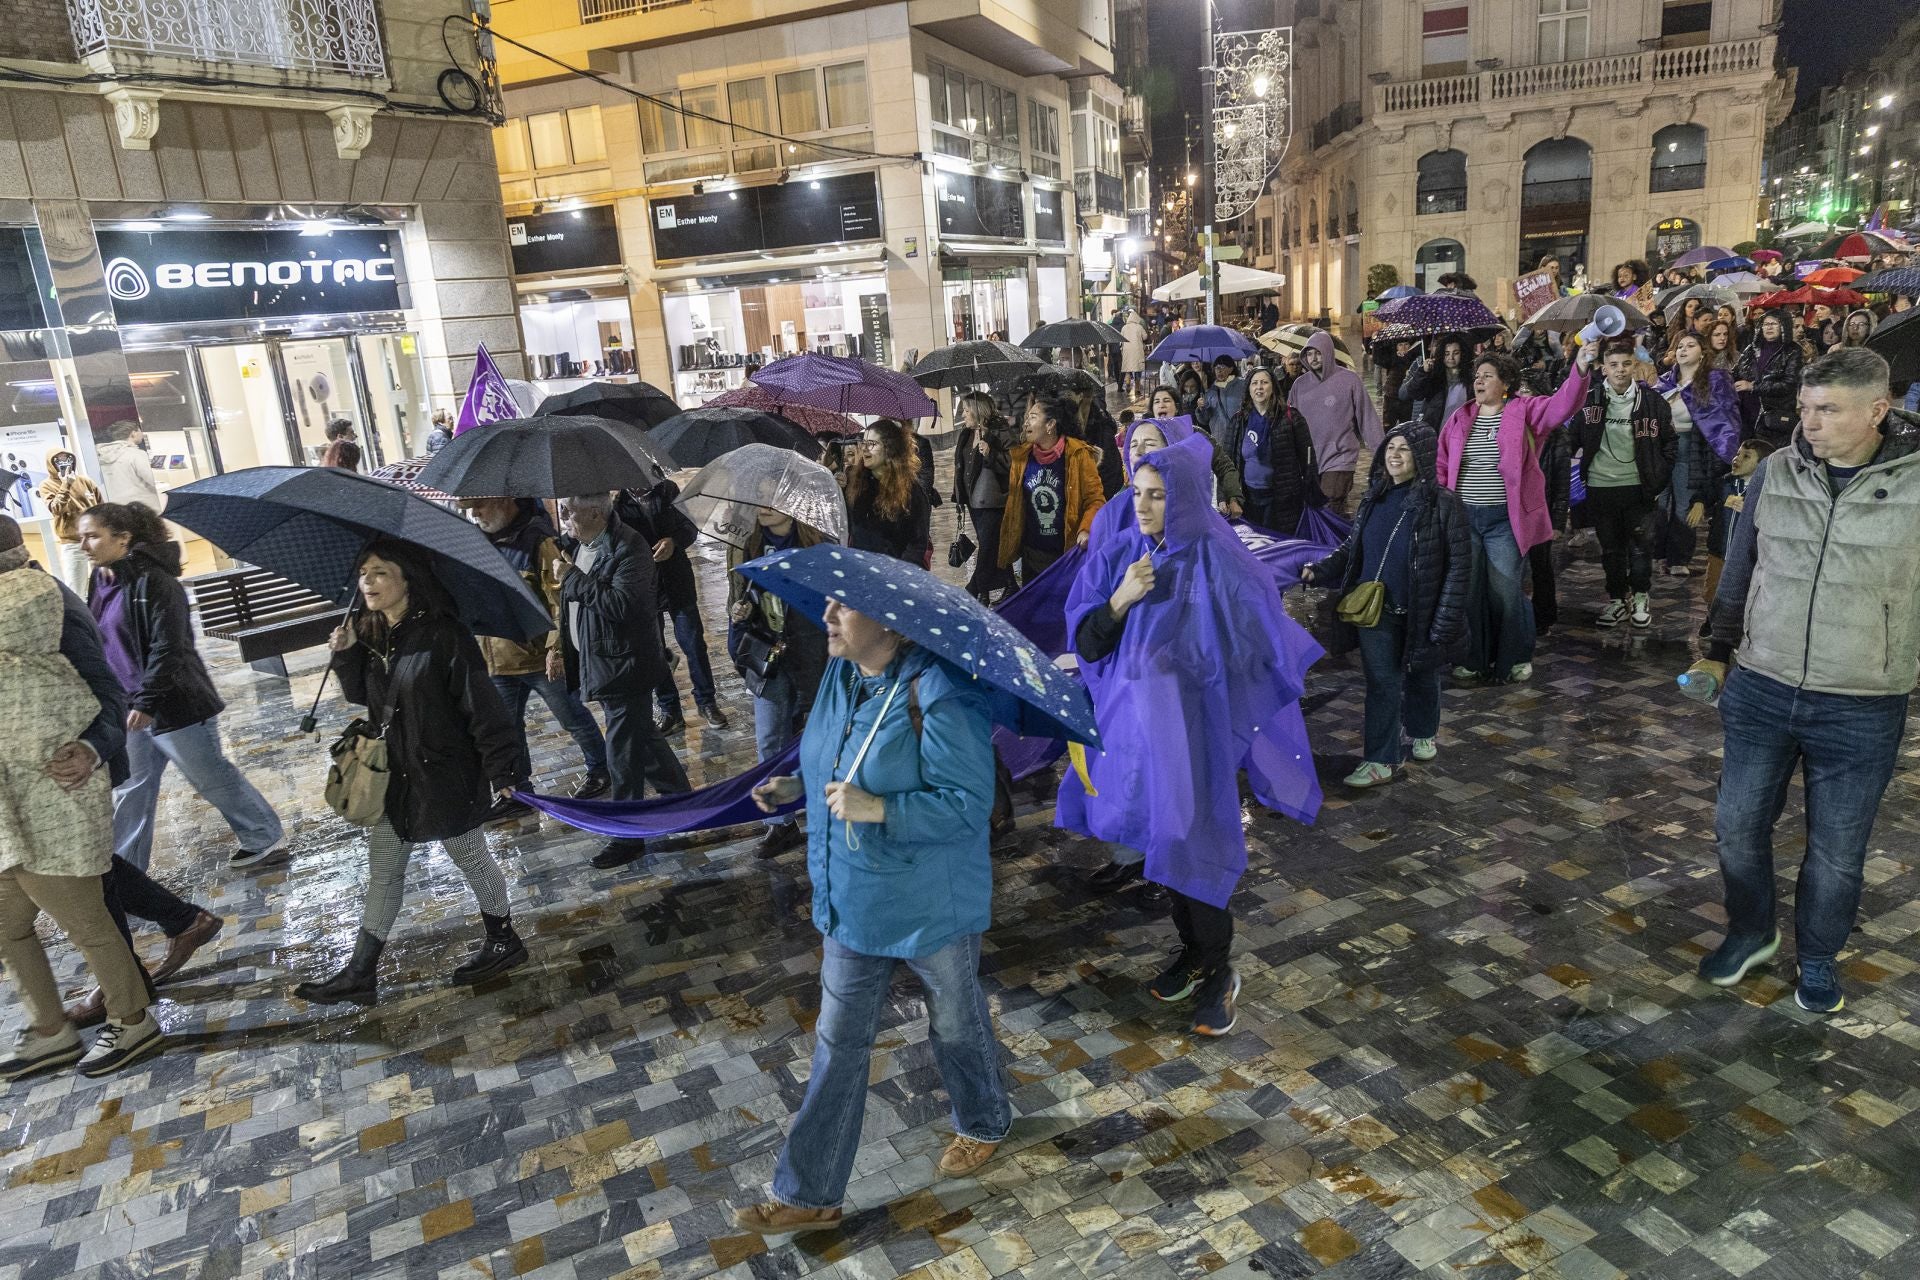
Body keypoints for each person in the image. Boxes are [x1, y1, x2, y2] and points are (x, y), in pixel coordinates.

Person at [735, 599, 1008, 1236]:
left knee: (957, 1024)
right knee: (837, 1042)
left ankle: (985, 1119)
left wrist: (880, 809)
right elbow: (830, 757)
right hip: (852, 897)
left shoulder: (941, 690)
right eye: (829, 603)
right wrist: (795, 787)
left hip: (929, 904)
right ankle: (811, 1193)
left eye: (845, 607)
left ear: (889, 622)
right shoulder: (843, 674)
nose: (827, 615)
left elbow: (969, 804)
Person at [1058, 434, 1314, 1038]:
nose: (1142, 506)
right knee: (1162, 843)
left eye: (1158, 496)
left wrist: (1196, 668)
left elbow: (1259, 650)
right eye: (1139, 492)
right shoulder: (1123, 554)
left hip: (1197, 737)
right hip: (1138, 737)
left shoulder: (1220, 565)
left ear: (1189, 500)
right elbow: (1088, 642)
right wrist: (1121, 600)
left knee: (1195, 839)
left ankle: (1220, 966)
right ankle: (1194, 953)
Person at [1688, 349, 1919, 1015]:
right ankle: (1751, 931)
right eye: (1806, 409)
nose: (1809, 424)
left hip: (1862, 701)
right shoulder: (1777, 473)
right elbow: (1740, 568)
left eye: (1828, 410)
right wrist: (1719, 649)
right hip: (1763, 686)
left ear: (1877, 410)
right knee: (1737, 825)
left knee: (1838, 852)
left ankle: (1817, 957)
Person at [296, 541, 527, 1005]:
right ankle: (361, 973)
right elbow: (365, 695)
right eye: (363, 573)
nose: (367, 583)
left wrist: (502, 769)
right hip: (395, 775)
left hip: (444, 773)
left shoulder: (444, 635)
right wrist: (345, 652)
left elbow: (481, 706)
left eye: (380, 573)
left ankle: (503, 939)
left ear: (409, 581)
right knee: (384, 871)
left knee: (469, 854)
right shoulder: (375, 633)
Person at [0, 516, 167, 1081]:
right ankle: (52, 1030)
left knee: (88, 919)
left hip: (54, 791)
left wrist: (92, 749)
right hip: (7, 805)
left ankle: (132, 1020)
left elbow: (107, 692)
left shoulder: (49, 603)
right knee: (7, 924)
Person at [77, 502, 287, 871]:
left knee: (209, 777)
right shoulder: (101, 579)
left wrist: (146, 700)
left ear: (123, 538)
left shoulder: (155, 582)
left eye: (93, 536)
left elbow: (169, 647)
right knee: (131, 790)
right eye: (81, 537)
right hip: (128, 706)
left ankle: (263, 836)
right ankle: (126, 875)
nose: (84, 545)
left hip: (174, 704)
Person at [1304, 423, 1470, 786]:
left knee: (1422, 673)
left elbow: (1459, 567)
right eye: (1390, 448)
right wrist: (1318, 571)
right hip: (1375, 612)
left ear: (1421, 456)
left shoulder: (1443, 504)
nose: (1394, 455)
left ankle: (1423, 729)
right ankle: (1382, 759)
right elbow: (1352, 550)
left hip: (1420, 611)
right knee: (1382, 683)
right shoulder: (1373, 498)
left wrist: (1444, 619)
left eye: (1404, 449)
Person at [1435, 345, 1595, 683]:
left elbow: (1562, 406)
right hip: (1464, 518)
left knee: (1506, 590)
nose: (1478, 382)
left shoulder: (1523, 411)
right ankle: (1473, 658)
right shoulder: (1460, 417)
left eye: (1487, 376)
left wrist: (1580, 368)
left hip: (1504, 522)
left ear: (1505, 382)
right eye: (1476, 376)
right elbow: (1441, 463)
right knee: (1470, 590)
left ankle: (1515, 656)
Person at [555, 492, 691, 870]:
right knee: (641, 737)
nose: (564, 519)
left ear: (596, 512)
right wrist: (559, 649)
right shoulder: (578, 544)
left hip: (625, 664)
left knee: (622, 754)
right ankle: (681, 802)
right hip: (600, 660)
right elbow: (573, 608)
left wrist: (572, 579)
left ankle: (627, 835)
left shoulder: (631, 548)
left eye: (569, 512)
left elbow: (625, 606)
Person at [461, 496, 610, 814]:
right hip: (497, 657)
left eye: (480, 506)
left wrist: (556, 649)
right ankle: (517, 793)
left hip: (537, 657)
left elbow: (561, 600)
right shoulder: (478, 542)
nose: (475, 514)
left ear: (503, 502)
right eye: (470, 509)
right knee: (506, 730)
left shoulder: (537, 541)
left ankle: (602, 770)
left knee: (573, 718)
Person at [727, 508, 832, 860]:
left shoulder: (818, 545)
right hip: (768, 656)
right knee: (769, 738)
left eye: (771, 498)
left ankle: (825, 808)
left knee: (818, 737)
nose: (762, 506)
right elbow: (737, 599)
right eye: (758, 499)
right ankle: (780, 823)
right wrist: (738, 612)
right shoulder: (746, 546)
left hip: (811, 654)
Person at [1571, 340, 1676, 630]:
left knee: (1641, 547)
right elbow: (1571, 439)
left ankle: (1641, 596)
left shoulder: (1652, 402)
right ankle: (1617, 599)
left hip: (1639, 487)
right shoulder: (1589, 399)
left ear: (1635, 365)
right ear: (1603, 367)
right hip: (1600, 486)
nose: (1620, 370)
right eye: (1614, 365)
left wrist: (1658, 477)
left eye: (1626, 364)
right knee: (1611, 549)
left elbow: (1670, 443)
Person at [614, 477, 730, 733]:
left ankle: (707, 702)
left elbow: (690, 526)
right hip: (644, 585)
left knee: (694, 644)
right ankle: (670, 709)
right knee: (653, 650)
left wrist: (673, 541)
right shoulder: (618, 504)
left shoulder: (667, 490)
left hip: (677, 579)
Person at [1654, 333, 1740, 577]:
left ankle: (1679, 558)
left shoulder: (1716, 381)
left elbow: (1727, 417)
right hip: (1663, 447)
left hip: (1692, 446)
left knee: (1684, 505)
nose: (1683, 350)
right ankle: (1657, 553)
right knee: (1658, 503)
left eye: (1690, 346)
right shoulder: (1664, 382)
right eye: (1679, 346)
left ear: (1702, 352)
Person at [997, 396, 1105, 585]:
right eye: (1027, 417)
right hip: (1031, 555)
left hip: (1066, 555)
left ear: (1050, 425)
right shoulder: (1022, 457)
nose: (1026, 422)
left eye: (1033, 417)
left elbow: (1095, 499)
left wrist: (1085, 529)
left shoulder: (1078, 455)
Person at [1288, 330, 1383, 506]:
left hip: (1340, 459)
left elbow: (1367, 418)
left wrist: (1382, 453)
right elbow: (1289, 423)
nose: (1314, 358)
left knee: (1330, 506)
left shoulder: (1349, 380)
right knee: (1319, 512)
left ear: (1328, 352)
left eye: (1318, 353)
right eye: (1309, 353)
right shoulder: (1299, 386)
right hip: (1310, 461)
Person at [1232, 367, 1316, 536]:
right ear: (1248, 389)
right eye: (1254, 383)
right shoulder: (1239, 420)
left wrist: (1310, 490)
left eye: (1264, 382)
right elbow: (1228, 459)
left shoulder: (1291, 418)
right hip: (1250, 499)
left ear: (1273, 387)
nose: (1259, 387)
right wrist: (1228, 495)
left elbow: (1308, 458)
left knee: (1279, 544)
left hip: (1283, 500)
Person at [1701, 438, 1772, 631]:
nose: (1737, 459)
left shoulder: (1766, 492)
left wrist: (1753, 510)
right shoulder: (1725, 483)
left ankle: (1739, 625)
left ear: (1762, 465)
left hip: (1746, 556)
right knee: (1712, 588)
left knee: (1743, 589)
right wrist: (1698, 503)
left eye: (1746, 456)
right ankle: (1712, 618)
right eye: (1737, 454)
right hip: (1720, 550)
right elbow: (1705, 493)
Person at [952, 392, 1015, 602]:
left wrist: (991, 454)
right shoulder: (966, 434)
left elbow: (1013, 464)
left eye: (967, 410)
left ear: (978, 412)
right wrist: (959, 497)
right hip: (972, 502)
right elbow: (961, 468)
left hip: (993, 501)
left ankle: (974, 589)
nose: (963, 413)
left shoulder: (999, 432)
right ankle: (1007, 585)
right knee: (990, 545)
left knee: (988, 546)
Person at [845, 419, 931, 564]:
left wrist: (900, 573)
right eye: (863, 443)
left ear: (889, 448)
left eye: (872, 444)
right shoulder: (857, 484)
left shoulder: (911, 490)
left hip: (896, 575)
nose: (865, 449)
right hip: (863, 572)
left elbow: (917, 543)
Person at [1150, 386, 1243, 515]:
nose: (1161, 405)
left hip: (1194, 512)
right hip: (1158, 514)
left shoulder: (1195, 434)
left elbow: (1225, 466)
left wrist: (1233, 497)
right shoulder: (1145, 438)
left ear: (1176, 407)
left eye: (1166, 400)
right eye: (1156, 401)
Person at [35, 445, 102, 596]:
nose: (64, 462)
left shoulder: (86, 481)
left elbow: (101, 507)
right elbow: (56, 509)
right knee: (75, 588)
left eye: (67, 459)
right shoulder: (46, 485)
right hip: (72, 542)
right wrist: (66, 484)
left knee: (102, 584)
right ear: (51, 463)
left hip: (95, 540)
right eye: (59, 460)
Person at [1734, 311, 1805, 447]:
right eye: (1766, 324)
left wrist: (1753, 386)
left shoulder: (1793, 351)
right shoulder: (1752, 349)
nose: (1769, 327)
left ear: (1784, 326)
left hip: (1773, 416)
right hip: (1746, 412)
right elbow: (1737, 371)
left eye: (1774, 324)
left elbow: (1789, 384)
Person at [1401, 337, 1473, 429]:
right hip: (1435, 430)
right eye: (1447, 354)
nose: (1451, 357)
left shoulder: (1470, 379)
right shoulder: (1434, 375)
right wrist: (1423, 372)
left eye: (1456, 353)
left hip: (1459, 431)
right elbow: (1415, 393)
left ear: (1462, 354)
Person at [95, 420, 163, 512]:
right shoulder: (136, 454)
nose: (142, 434)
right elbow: (151, 479)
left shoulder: (101, 455)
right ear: (133, 433)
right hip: (141, 507)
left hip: (115, 507)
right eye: (140, 430)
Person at [1198, 356, 1247, 436]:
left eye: (1223, 367)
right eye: (1216, 368)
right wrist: (1201, 408)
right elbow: (1204, 420)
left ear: (1231, 369)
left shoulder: (1242, 385)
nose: (1219, 371)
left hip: (1239, 436)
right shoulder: (1211, 391)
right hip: (1219, 438)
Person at [1120, 311, 1148, 400]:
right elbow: (1145, 337)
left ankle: (1128, 383)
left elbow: (1121, 338)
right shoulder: (1139, 327)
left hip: (1127, 351)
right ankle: (1137, 389)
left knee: (1128, 369)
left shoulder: (1124, 327)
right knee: (1137, 370)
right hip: (1137, 350)